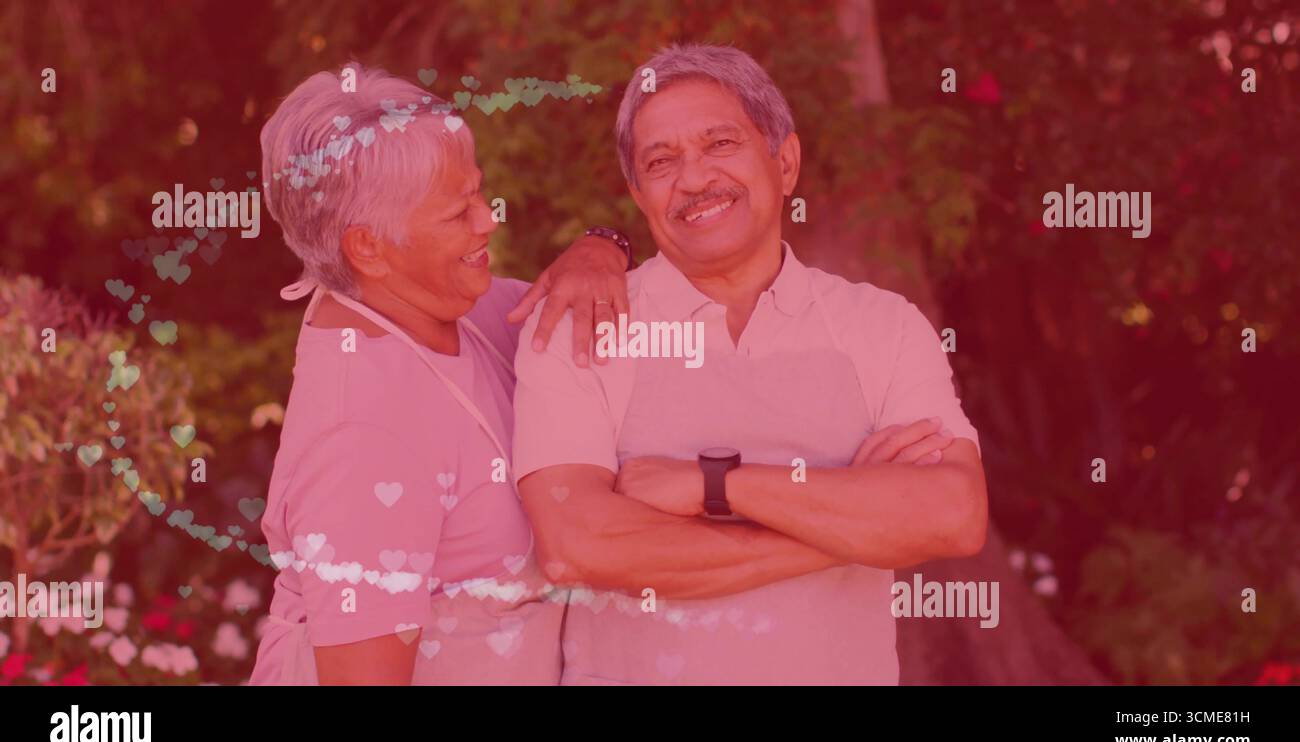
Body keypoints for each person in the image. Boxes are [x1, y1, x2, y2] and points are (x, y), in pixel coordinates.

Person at [513, 44, 989, 684]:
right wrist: (846, 525)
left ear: (785, 162)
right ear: (636, 192)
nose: (692, 178)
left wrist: (714, 485)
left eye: (720, 144)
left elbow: (953, 515)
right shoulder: (579, 323)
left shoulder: (882, 326)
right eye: (661, 161)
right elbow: (576, 547)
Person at [248, 62, 630, 685]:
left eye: (478, 192)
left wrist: (602, 246)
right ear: (367, 247)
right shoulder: (362, 436)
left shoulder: (452, 303)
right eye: (458, 213)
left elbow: (574, 307)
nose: (488, 220)